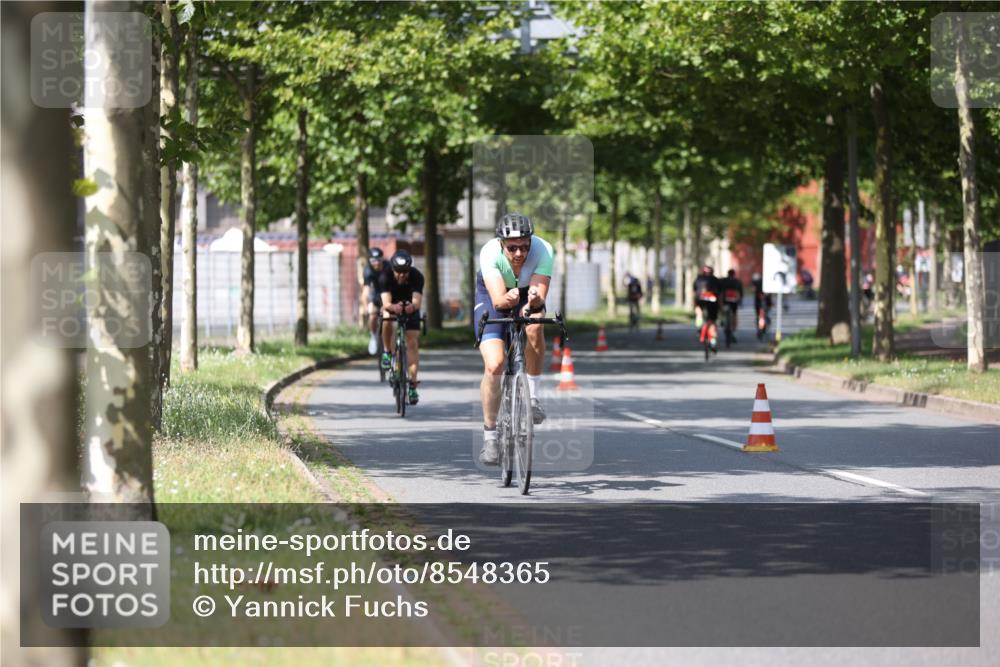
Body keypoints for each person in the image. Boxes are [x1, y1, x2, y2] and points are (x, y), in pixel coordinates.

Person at [474, 213, 553, 466]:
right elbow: (498, 301)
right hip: (493, 293)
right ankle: (490, 436)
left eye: (524, 246)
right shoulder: (489, 253)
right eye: (512, 248)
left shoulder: (543, 250)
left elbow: (539, 297)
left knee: (534, 326)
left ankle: (532, 396)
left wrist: (533, 301)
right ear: (501, 245)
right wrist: (507, 301)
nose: (519, 253)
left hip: (526, 291)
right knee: (495, 364)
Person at [379, 250, 424, 405]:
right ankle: (386, 351)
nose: (402, 275)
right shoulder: (385, 276)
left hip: (409, 307)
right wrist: (393, 307)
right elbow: (386, 303)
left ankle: (412, 385)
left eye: (405, 272)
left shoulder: (417, 276)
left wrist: (411, 307)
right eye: (398, 272)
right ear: (392, 269)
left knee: (411, 343)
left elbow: (417, 302)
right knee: (386, 317)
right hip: (392, 305)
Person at [362, 247, 387, 355]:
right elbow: (365, 291)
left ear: (382, 259)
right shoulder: (368, 270)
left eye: (378, 260)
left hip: (388, 293)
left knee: (388, 318)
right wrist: (365, 307)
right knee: (372, 315)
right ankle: (373, 337)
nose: (376, 263)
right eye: (373, 261)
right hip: (376, 295)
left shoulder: (388, 267)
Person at [693, 265, 721, 352]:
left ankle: (699, 325)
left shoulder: (698, 279)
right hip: (713, 301)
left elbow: (694, 291)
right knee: (712, 322)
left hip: (700, 300)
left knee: (699, 311)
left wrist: (695, 303)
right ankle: (713, 342)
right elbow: (720, 294)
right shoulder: (716, 280)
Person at [720, 269, 744, 342]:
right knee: (734, 315)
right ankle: (733, 332)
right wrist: (740, 301)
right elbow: (740, 293)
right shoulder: (737, 281)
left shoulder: (723, 281)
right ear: (734, 274)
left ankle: (722, 320)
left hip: (725, 301)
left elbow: (720, 291)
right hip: (734, 302)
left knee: (723, 311)